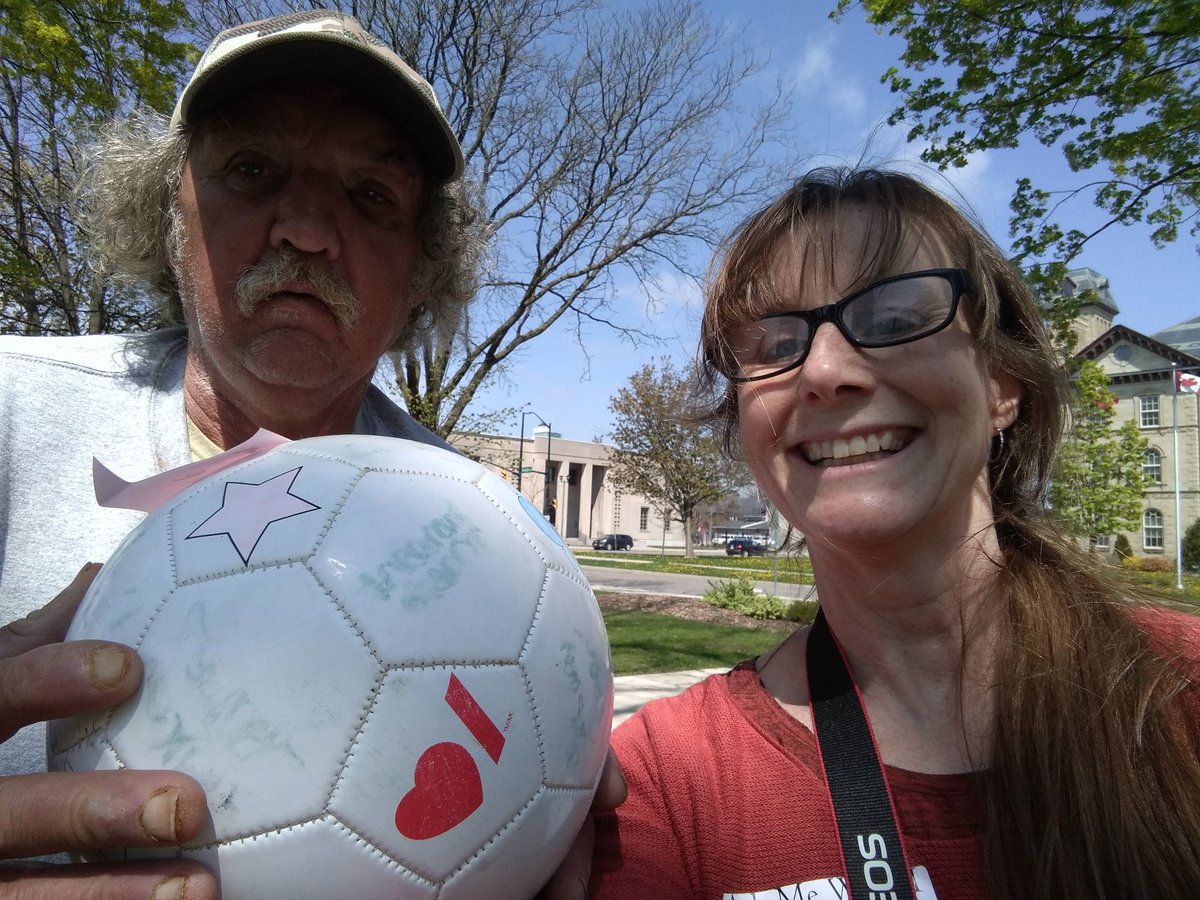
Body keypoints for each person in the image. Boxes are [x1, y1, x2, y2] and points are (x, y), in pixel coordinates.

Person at [589, 167, 1200, 899]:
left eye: (896, 317)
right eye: (776, 339)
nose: (823, 370)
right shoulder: (664, 784)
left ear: (1004, 386)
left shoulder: (1177, 695)